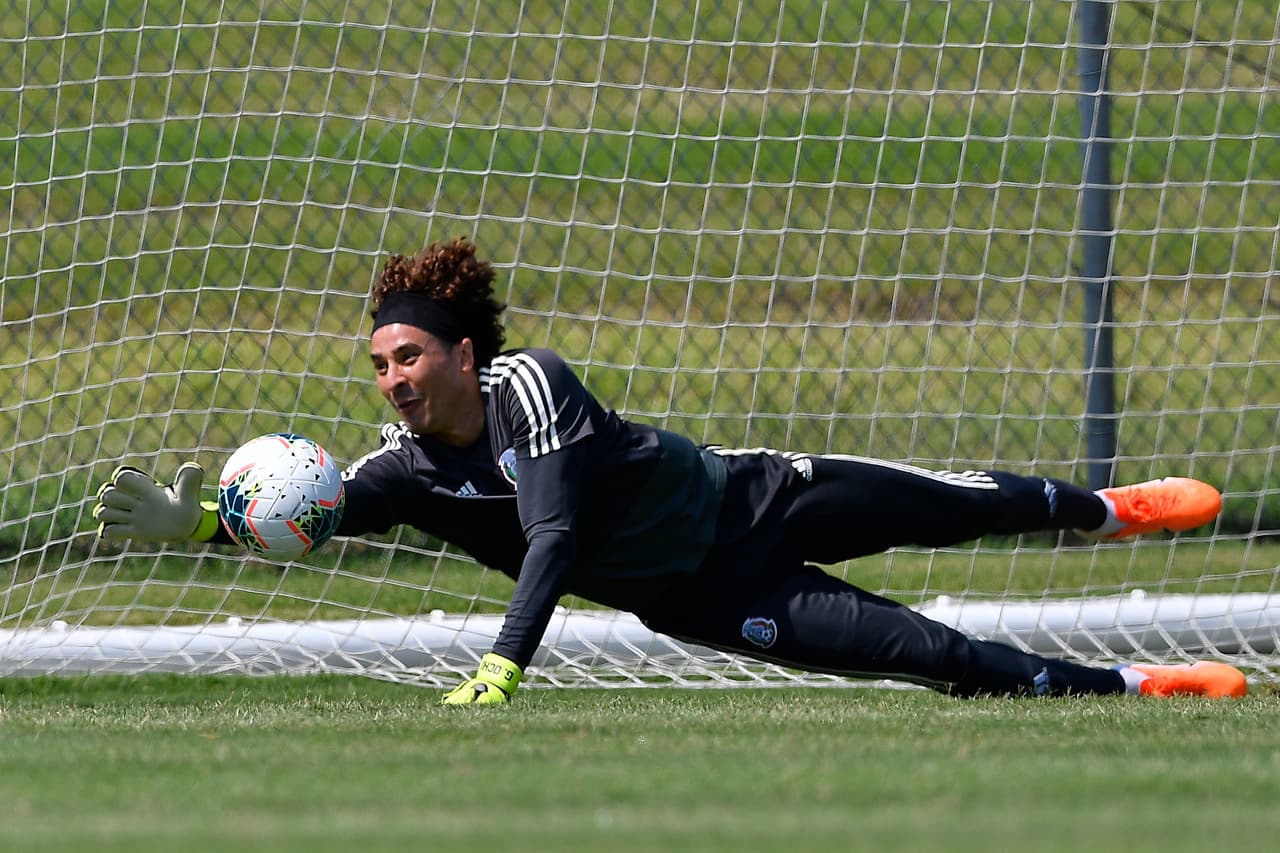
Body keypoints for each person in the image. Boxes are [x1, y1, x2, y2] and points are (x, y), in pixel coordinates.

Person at [93, 238, 1247, 703]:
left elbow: (548, 535)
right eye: (377, 362)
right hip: (711, 593)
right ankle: (1139, 689)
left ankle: (1106, 511)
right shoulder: (402, 469)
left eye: (407, 354)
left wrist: (501, 665)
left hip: (753, 493)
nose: (390, 377)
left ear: (460, 351)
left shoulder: (530, 386)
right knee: (927, 655)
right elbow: (326, 515)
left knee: (952, 502)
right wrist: (198, 532)